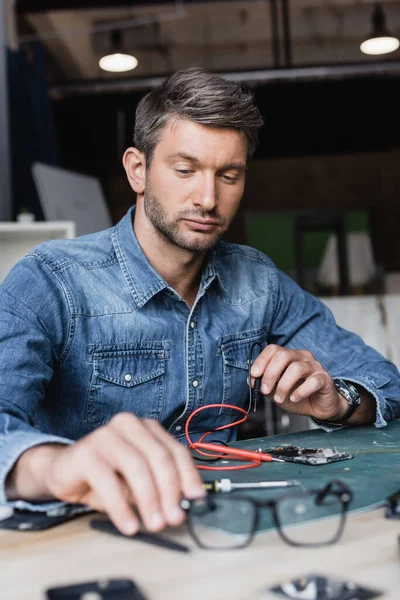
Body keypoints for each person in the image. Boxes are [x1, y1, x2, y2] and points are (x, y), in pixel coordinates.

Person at [1, 68, 399, 537]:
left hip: (229, 529)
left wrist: (339, 400)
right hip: (91, 535)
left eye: (228, 176)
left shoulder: (258, 281)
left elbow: (386, 383)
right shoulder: (51, 280)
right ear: (138, 169)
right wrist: (58, 466)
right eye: (185, 170)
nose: (208, 198)